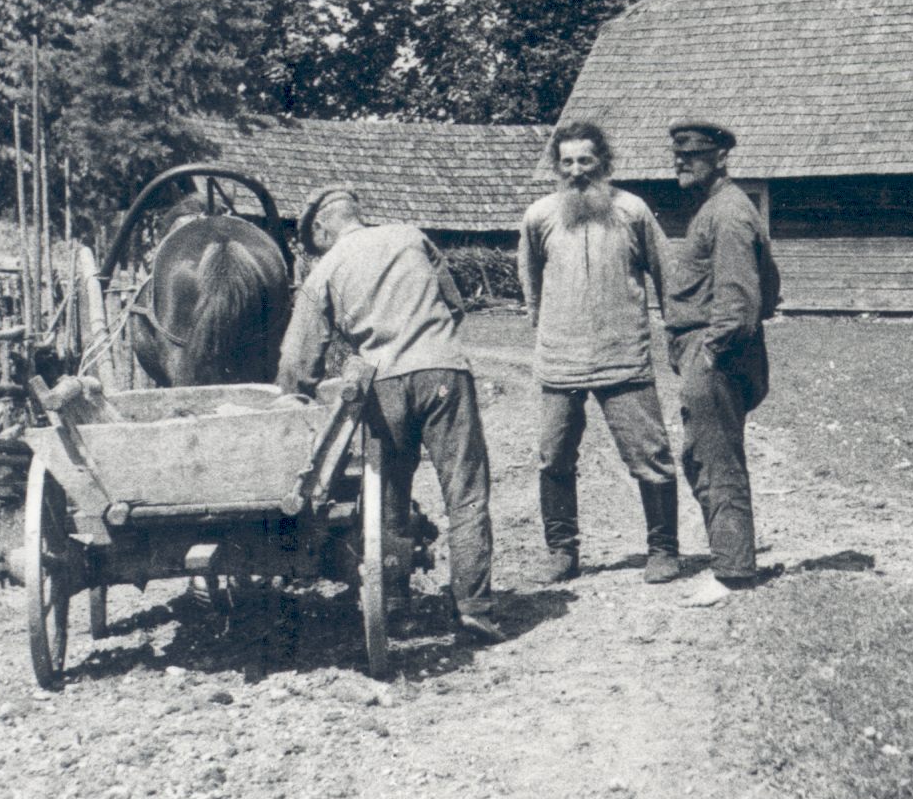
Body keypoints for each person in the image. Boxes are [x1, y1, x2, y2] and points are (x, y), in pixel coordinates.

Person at [276, 185, 503, 644]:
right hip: (444, 371)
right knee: (465, 492)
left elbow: (298, 362)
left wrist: (293, 400)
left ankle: (396, 607)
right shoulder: (410, 236)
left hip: (382, 383)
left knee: (390, 496)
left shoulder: (325, 270)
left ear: (321, 228)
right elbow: (455, 305)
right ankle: (475, 607)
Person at [517, 119, 682, 585]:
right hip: (559, 359)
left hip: (623, 356)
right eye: (566, 162)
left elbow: (666, 276)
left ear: (603, 164)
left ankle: (664, 550)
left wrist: (677, 332)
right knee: (553, 458)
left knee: (650, 455)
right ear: (556, 166)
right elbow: (531, 285)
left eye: (585, 160)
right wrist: (547, 328)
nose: (576, 171)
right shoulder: (539, 216)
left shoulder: (632, 211)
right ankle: (562, 552)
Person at [662, 121, 780, 608]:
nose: (680, 162)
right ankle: (730, 562)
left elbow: (741, 299)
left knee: (716, 461)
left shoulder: (728, 213)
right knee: (706, 456)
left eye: (693, 155)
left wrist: (710, 352)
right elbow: (768, 288)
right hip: (712, 352)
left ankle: (732, 573)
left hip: (717, 355)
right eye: (678, 155)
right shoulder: (719, 209)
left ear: (721, 158)